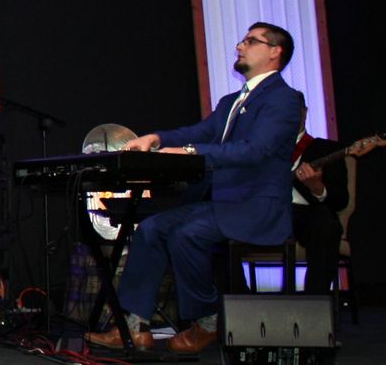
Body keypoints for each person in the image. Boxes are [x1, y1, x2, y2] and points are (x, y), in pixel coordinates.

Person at [84, 22, 305, 354]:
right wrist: (156, 139)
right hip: (221, 206)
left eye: (250, 41)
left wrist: (189, 152)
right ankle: (134, 326)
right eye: (242, 40)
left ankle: (208, 320)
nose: (240, 46)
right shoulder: (232, 101)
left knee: (187, 234)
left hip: (256, 208)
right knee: (151, 228)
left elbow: (254, 151)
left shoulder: (283, 100)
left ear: (275, 52)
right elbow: (200, 132)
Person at [288, 131, 349, 294]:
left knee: (326, 224)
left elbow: (341, 199)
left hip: (305, 212)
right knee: (223, 222)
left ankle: (315, 301)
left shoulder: (326, 149)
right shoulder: (256, 146)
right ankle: (236, 301)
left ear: (304, 116)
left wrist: (316, 187)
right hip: (264, 210)